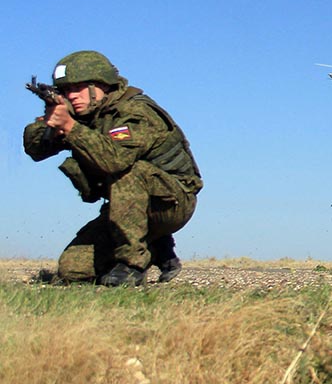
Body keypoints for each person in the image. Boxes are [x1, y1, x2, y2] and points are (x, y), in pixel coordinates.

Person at [23, 51, 202, 286]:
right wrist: (51, 122)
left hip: (172, 202)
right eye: (66, 91)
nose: (72, 96)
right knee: (72, 270)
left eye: (78, 88)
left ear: (102, 85)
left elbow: (114, 160)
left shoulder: (135, 112)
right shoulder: (83, 117)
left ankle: (132, 264)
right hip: (126, 210)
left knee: (130, 171)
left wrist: (70, 126)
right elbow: (35, 150)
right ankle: (156, 247)